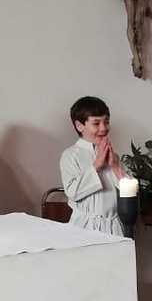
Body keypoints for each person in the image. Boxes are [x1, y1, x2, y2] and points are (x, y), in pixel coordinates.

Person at [59, 96, 123, 237]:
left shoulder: (113, 155)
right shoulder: (70, 155)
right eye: (96, 123)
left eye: (106, 122)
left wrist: (115, 167)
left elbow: (130, 190)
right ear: (79, 126)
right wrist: (96, 166)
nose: (103, 128)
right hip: (84, 226)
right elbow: (72, 192)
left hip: (114, 226)